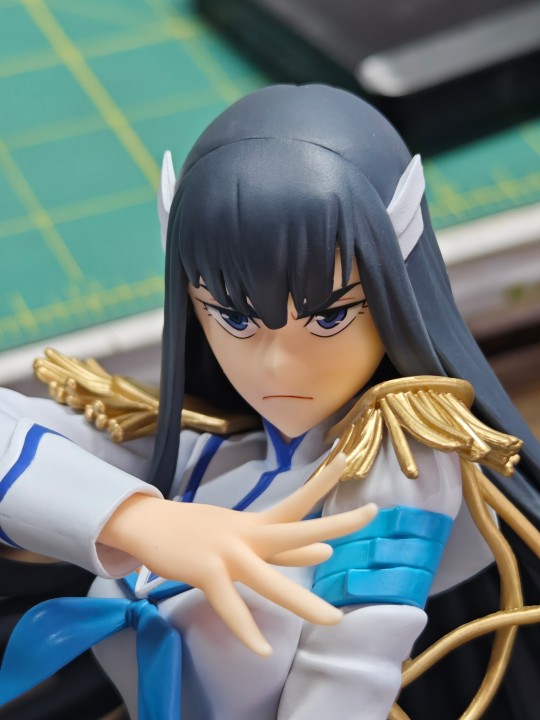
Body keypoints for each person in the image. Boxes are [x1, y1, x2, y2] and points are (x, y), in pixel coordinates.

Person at [1, 84, 539, 719]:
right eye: (234, 318)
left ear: (397, 292)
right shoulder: (204, 448)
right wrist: (134, 520)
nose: (278, 364)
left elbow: (350, 669)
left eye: (330, 317)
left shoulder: (397, 461)